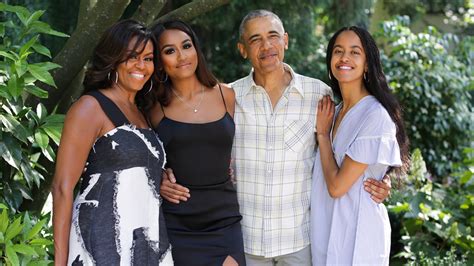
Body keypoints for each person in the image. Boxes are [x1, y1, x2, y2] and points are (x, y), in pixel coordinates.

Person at [160, 10, 392, 265]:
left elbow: (355, 144)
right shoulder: (228, 98)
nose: (266, 45)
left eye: (273, 36)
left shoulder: (319, 95)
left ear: (286, 41)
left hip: (299, 241)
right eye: (255, 39)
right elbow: (195, 144)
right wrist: (162, 173)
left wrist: (384, 178)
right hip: (246, 240)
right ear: (242, 49)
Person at [51, 19, 172, 265]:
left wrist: (162, 176)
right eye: (132, 57)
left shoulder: (141, 112)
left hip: (146, 243)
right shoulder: (90, 108)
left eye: (148, 59)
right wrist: (60, 262)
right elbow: (62, 188)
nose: (141, 66)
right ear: (114, 58)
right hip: (101, 246)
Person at [145, 20, 245, 266]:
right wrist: (156, 179)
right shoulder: (153, 107)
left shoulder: (226, 95)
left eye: (186, 46)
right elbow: (139, 156)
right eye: (169, 51)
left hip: (224, 218)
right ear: (159, 61)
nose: (181, 56)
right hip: (178, 221)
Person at [311, 26, 410, 265]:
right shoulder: (331, 112)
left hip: (357, 239)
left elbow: (336, 187)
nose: (344, 58)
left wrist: (323, 136)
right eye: (338, 51)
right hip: (323, 233)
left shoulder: (374, 115)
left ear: (367, 64)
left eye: (355, 52)